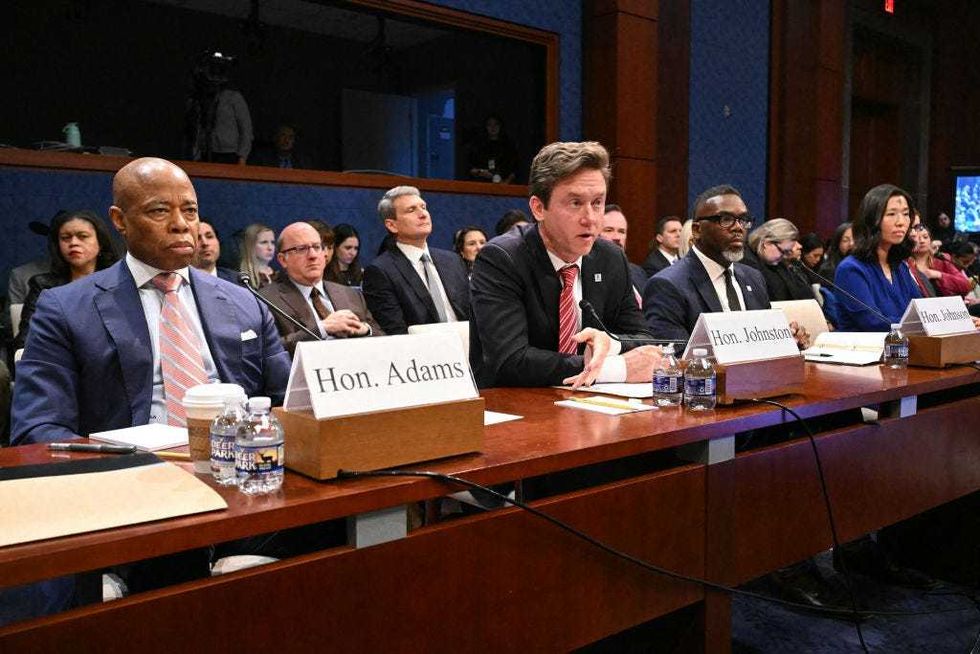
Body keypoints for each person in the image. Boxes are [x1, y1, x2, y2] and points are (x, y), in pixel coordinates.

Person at [11, 157, 290, 445]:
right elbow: (37, 427)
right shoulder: (65, 308)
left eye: (190, 211)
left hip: (240, 467)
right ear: (120, 220)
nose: (181, 224)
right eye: (159, 211)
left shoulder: (244, 301)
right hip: (129, 474)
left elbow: (288, 406)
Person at [470, 141, 662, 388]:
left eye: (597, 203)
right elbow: (510, 360)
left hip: (590, 407)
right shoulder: (501, 259)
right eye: (575, 203)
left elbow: (643, 339)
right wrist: (614, 368)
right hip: (514, 408)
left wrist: (609, 343)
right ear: (539, 208)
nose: (591, 219)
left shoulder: (611, 259)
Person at [642, 185, 771, 346]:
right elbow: (675, 359)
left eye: (743, 220)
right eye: (726, 219)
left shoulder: (754, 278)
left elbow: (765, 343)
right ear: (697, 230)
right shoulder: (667, 285)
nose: (738, 227)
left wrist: (786, 340)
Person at [259, 222, 382, 355]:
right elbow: (266, 351)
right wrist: (322, 329)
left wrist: (365, 330)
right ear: (283, 260)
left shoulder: (350, 294)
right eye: (301, 249)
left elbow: (383, 339)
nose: (313, 255)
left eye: (317, 247)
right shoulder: (266, 301)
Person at [362, 186, 471, 335]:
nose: (423, 214)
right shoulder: (380, 271)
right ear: (392, 225)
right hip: (423, 353)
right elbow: (395, 331)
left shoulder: (452, 261)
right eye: (411, 210)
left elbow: (472, 312)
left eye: (424, 207)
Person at [14, 210, 120, 350]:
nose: (73, 243)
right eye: (65, 238)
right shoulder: (43, 286)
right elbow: (26, 342)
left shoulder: (120, 283)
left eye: (83, 236)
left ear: (100, 243)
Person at [833, 184, 920, 332]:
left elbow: (921, 310)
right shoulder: (850, 269)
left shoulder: (900, 266)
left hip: (903, 347)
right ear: (871, 220)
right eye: (891, 214)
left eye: (905, 214)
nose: (901, 222)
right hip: (865, 351)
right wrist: (921, 323)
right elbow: (872, 322)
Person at [184, 51, 252, 165]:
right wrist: (196, 153)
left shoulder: (233, 97)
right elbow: (196, 128)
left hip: (229, 154)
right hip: (205, 152)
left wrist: (242, 156)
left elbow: (246, 130)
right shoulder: (200, 98)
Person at [745, 218, 815, 302]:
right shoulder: (747, 264)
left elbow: (804, 295)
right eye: (784, 251)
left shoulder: (778, 264)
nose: (784, 256)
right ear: (767, 244)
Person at [598, 204, 649, 298]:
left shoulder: (638, 272)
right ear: (595, 235)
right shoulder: (589, 274)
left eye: (621, 232)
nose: (617, 237)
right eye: (609, 230)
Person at [467, 115, 518, 184]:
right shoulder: (478, 146)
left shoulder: (508, 146)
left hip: (505, 186)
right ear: (485, 127)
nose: (493, 127)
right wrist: (481, 172)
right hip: (482, 186)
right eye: (489, 125)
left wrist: (506, 184)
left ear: (500, 126)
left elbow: (515, 169)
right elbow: (470, 168)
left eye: (496, 124)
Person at [239, 223, 276, 288]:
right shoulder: (244, 278)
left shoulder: (280, 276)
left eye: (272, 242)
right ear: (251, 246)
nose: (270, 248)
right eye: (264, 242)